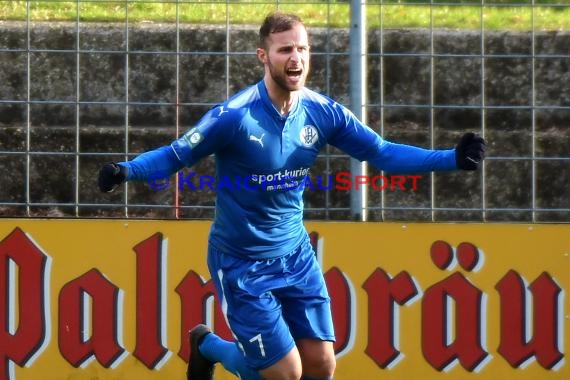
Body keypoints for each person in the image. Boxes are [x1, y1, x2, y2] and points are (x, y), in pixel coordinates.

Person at [98, 11, 486, 380]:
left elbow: (381, 152)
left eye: (302, 48)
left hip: (296, 256)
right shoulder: (234, 117)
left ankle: (210, 347)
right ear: (263, 56)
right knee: (286, 373)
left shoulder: (322, 112)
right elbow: (175, 155)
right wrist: (125, 171)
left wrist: (451, 158)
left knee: (320, 367)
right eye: (285, 50)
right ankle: (209, 346)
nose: (296, 57)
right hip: (241, 264)